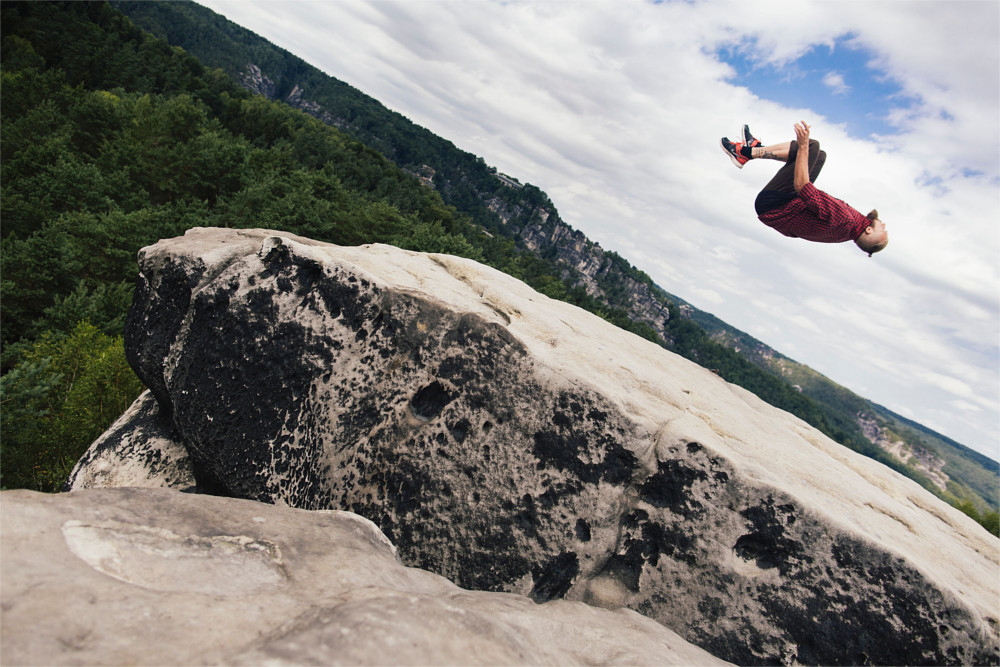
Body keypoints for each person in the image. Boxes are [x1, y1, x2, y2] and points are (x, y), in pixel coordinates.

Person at [720, 122, 888, 256]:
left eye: (883, 229)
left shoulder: (846, 220)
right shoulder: (845, 233)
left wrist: (803, 146)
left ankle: (745, 152)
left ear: (868, 230)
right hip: (778, 209)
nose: (884, 224)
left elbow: (803, 188)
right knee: (819, 156)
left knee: (811, 146)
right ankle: (754, 148)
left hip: (775, 203)